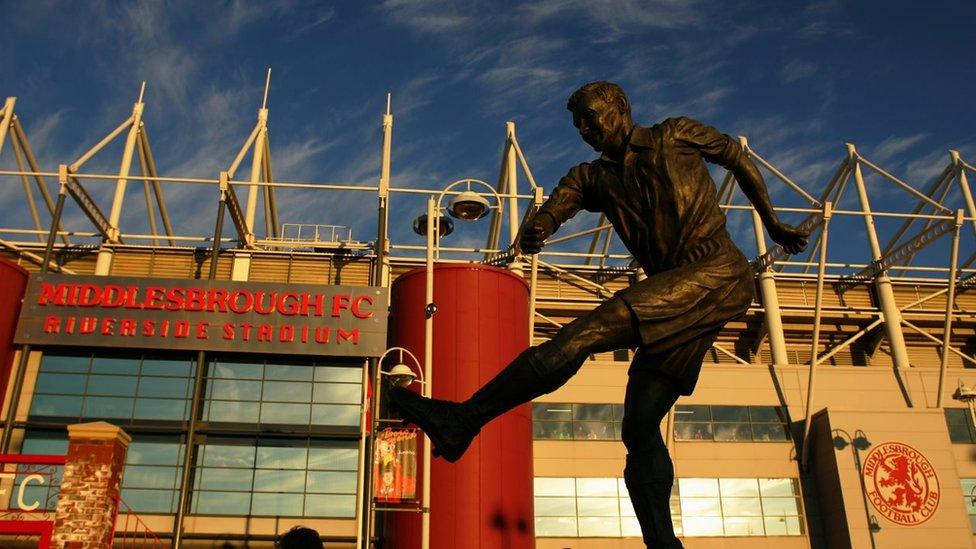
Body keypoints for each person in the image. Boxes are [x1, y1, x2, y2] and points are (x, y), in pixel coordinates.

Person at [390, 81, 808, 548]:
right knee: (640, 426)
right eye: (579, 125)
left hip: (716, 271)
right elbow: (561, 201)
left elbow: (736, 157)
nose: (586, 129)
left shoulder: (675, 134)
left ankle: (463, 419)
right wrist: (540, 227)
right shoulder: (595, 177)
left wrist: (771, 222)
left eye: (593, 117)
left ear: (622, 107)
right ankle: (664, 544)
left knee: (584, 334)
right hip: (677, 291)